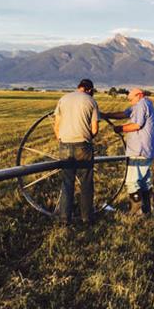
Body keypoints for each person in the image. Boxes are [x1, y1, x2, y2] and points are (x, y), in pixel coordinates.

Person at [102, 88, 154, 215]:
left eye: (131, 99)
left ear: (139, 95)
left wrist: (120, 128)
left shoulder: (141, 105)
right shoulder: (144, 104)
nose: (130, 102)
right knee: (144, 181)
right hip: (147, 150)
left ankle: (136, 209)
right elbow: (125, 113)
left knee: (132, 181)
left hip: (139, 150)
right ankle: (147, 210)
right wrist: (107, 115)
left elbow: (137, 125)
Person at [54, 79, 99, 225]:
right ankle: (86, 218)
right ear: (89, 89)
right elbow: (94, 129)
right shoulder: (91, 102)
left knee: (67, 182)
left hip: (65, 144)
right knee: (86, 182)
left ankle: (64, 219)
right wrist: (88, 138)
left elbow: (57, 125)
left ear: (78, 87)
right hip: (83, 145)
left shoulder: (63, 99)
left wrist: (61, 138)